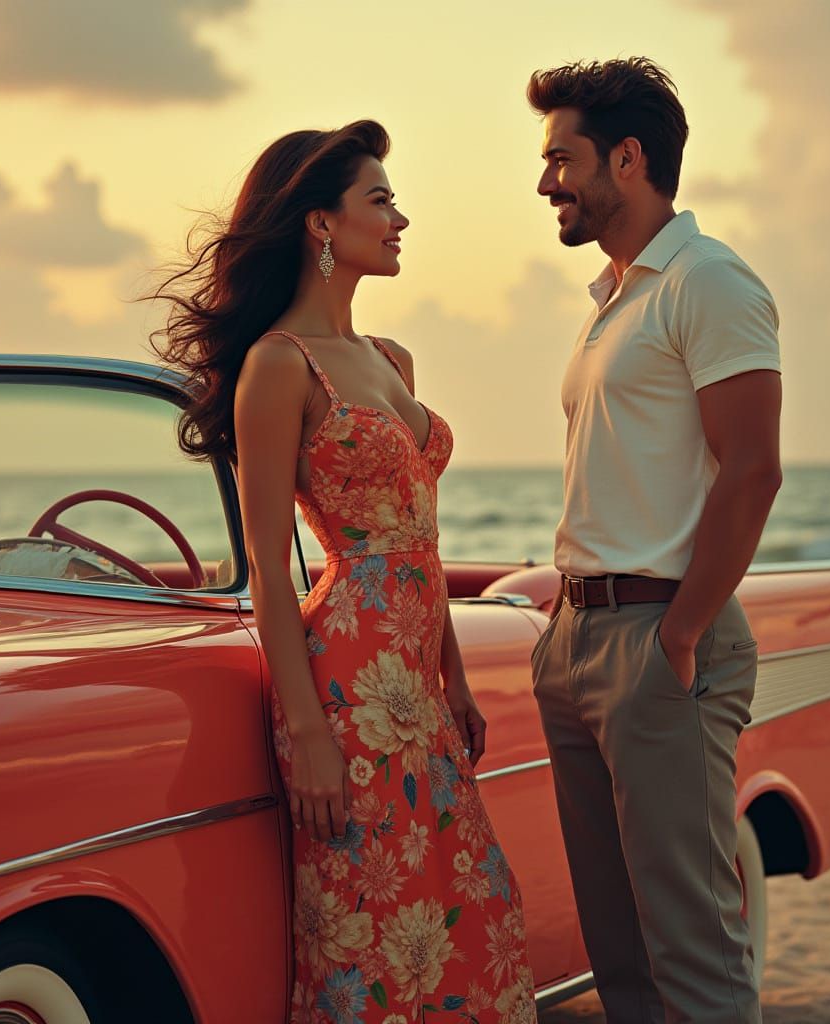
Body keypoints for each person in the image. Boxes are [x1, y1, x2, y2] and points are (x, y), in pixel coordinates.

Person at [152, 120, 535, 1023]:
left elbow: (422, 538)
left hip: (419, 683)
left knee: (474, 911)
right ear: (321, 224)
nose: (401, 218)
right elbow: (273, 576)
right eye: (381, 200)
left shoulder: (390, 359)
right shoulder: (276, 370)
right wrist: (310, 730)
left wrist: (456, 676)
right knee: (371, 927)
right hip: (347, 686)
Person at [526, 60, 782, 1023]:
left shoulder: (707, 281)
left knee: (692, 954)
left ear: (626, 161)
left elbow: (753, 469)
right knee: (619, 955)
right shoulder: (614, 298)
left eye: (562, 158)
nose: (546, 179)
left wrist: (680, 635)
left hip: (657, 639)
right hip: (580, 639)